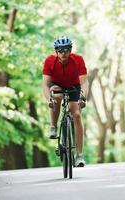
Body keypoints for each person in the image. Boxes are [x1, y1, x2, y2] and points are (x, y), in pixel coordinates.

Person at [42, 36, 88, 167]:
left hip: (74, 86)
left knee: (77, 115)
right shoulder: (50, 61)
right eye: (61, 51)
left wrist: (83, 97)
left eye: (67, 50)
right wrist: (48, 99)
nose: (64, 53)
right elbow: (45, 84)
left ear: (71, 50)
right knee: (56, 97)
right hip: (56, 85)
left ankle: (79, 156)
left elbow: (84, 82)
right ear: (56, 51)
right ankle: (53, 126)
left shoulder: (78, 59)